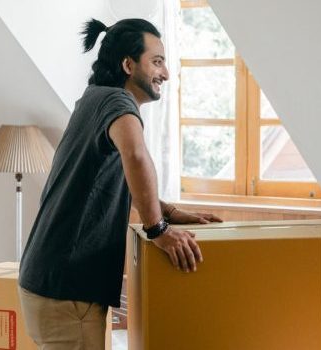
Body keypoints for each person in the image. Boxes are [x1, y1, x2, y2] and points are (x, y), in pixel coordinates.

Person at [18, 18, 222, 349]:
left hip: (49, 282)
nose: (166, 74)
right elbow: (136, 157)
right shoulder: (118, 103)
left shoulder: (94, 98)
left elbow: (107, 183)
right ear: (128, 64)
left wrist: (166, 210)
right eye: (157, 62)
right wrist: (158, 230)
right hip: (67, 292)